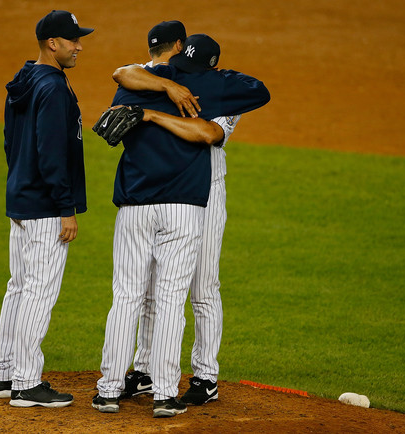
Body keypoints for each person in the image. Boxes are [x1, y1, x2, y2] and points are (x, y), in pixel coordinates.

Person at [92, 33, 269, 417]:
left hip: (203, 194)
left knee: (202, 287)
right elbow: (124, 72)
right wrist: (169, 86)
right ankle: (148, 375)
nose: (182, 75)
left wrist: (153, 113)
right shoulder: (164, 79)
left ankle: (205, 377)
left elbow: (209, 133)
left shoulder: (221, 92)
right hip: (179, 198)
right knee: (158, 294)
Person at [0, 9, 93, 408]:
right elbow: (52, 152)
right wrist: (65, 207)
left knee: (18, 287)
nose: (78, 46)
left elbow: (9, 140)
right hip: (47, 205)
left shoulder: (24, 80)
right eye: (72, 40)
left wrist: (22, 184)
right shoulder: (52, 86)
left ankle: (5, 373)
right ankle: (27, 383)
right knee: (39, 291)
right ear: (53, 43)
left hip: (21, 197)